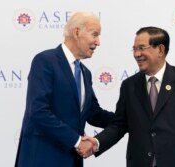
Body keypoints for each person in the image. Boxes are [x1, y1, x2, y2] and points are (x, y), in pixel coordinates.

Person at [78, 26, 175, 167]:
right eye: (134, 49)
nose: (137, 54)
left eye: (141, 48)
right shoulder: (129, 85)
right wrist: (96, 142)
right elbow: (119, 125)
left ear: (160, 50)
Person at [14, 12, 114, 167]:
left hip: (71, 160)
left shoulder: (85, 73)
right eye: (95, 34)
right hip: (42, 158)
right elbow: (38, 111)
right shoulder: (45, 61)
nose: (98, 42)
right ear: (76, 32)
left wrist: (129, 119)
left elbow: (94, 114)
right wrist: (77, 141)